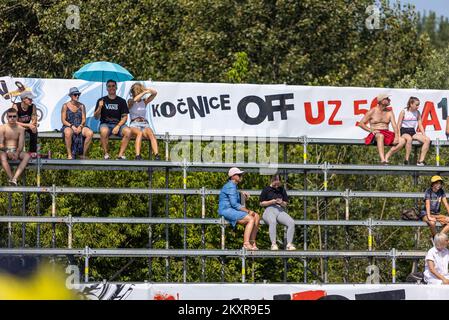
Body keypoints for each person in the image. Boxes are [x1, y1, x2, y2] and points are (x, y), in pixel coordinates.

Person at [218, 167, 260, 250]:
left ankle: (252, 241)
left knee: (257, 216)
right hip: (226, 210)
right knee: (250, 219)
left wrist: (241, 193)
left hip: (231, 210)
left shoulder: (233, 186)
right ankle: (246, 243)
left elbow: (233, 195)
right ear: (233, 176)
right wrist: (248, 211)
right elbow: (234, 204)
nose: (241, 176)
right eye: (239, 175)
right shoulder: (231, 186)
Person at [359, 93, 406, 164]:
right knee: (380, 136)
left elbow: (394, 125)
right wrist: (371, 130)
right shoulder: (373, 111)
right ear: (382, 101)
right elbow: (361, 123)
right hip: (376, 134)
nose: (389, 100)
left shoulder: (389, 112)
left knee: (402, 140)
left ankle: (387, 155)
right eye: (387, 99)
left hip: (387, 132)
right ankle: (383, 159)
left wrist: (397, 136)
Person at [93, 79, 132, 160]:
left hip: (118, 124)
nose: (111, 88)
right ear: (106, 88)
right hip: (105, 124)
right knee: (104, 131)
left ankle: (120, 155)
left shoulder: (122, 101)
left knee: (128, 131)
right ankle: (106, 154)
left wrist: (118, 126)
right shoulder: (101, 100)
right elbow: (96, 117)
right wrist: (100, 107)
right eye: (109, 86)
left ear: (116, 87)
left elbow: (125, 117)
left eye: (113, 86)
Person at [260, 174, 296, 250]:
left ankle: (289, 244)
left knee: (291, 222)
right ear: (272, 181)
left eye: (278, 184)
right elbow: (261, 203)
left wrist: (281, 202)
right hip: (269, 209)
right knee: (273, 222)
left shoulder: (282, 189)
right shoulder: (266, 189)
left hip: (279, 209)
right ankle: (273, 244)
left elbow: (285, 204)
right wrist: (271, 202)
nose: (277, 186)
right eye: (275, 184)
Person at [127, 83, 160, 160]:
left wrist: (146, 90)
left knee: (151, 134)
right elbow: (135, 100)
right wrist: (144, 92)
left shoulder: (144, 101)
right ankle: (138, 155)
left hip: (144, 123)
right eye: (137, 91)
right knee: (139, 133)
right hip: (134, 124)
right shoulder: (130, 101)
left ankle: (156, 154)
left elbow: (155, 93)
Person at [0, 108, 31, 185]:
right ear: (7, 117)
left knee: (27, 156)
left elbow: (20, 144)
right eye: (10, 116)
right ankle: (11, 177)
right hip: (4, 150)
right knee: (2, 156)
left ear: (17, 117)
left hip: (16, 150)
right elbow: (0, 144)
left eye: (14, 116)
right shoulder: (2, 128)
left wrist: (17, 153)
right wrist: (7, 151)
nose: (12, 118)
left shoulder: (21, 129)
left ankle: (15, 178)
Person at [61, 87, 94, 159]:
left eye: (78, 94)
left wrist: (80, 126)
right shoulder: (65, 106)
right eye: (75, 94)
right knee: (68, 133)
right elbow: (63, 120)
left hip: (80, 125)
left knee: (90, 133)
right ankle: (69, 154)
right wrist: (72, 126)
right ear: (71, 96)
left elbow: (84, 119)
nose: (77, 96)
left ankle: (83, 154)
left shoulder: (82, 106)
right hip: (69, 126)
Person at [397, 97, 430, 166]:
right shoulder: (404, 112)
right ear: (411, 104)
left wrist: (424, 134)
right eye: (416, 105)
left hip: (412, 131)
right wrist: (398, 135)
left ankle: (421, 161)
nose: (418, 106)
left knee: (427, 140)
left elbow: (420, 124)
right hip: (404, 130)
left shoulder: (417, 112)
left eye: (418, 105)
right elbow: (398, 124)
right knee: (409, 139)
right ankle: (406, 160)